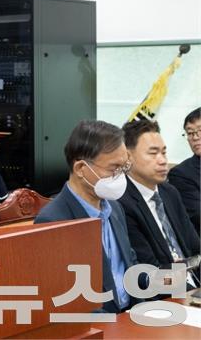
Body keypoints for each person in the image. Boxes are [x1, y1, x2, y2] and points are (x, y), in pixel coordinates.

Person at [35, 120, 137, 313]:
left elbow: (129, 265)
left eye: (124, 168)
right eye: (114, 168)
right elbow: (66, 299)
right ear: (81, 168)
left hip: (131, 317)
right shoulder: (52, 222)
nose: (120, 176)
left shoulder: (115, 208)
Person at [118, 120, 199, 288]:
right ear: (128, 157)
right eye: (153, 153)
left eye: (164, 152)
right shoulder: (121, 202)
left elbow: (195, 247)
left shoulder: (169, 192)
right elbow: (148, 273)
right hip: (164, 292)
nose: (163, 161)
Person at [169, 107, 200, 231]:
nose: (195, 137)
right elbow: (198, 214)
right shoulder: (180, 174)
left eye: (200, 130)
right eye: (190, 133)